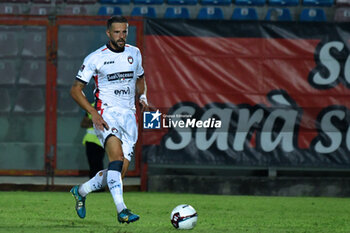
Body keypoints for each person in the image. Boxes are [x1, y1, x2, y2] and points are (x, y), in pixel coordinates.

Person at [69, 15, 148, 224]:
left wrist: (142, 96)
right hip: (107, 115)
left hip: (130, 117)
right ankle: (122, 211)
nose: (121, 36)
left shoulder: (135, 53)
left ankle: (81, 191)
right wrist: (94, 113)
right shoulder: (95, 58)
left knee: (117, 175)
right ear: (108, 33)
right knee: (116, 159)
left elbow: (140, 78)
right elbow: (75, 90)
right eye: (117, 32)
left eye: (124, 32)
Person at [81, 103, 105, 179]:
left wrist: (92, 121)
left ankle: (99, 186)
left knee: (98, 164)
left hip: (101, 141)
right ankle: (93, 186)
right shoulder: (90, 106)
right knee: (92, 164)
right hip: (90, 140)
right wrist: (96, 122)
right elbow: (83, 124)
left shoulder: (107, 106)